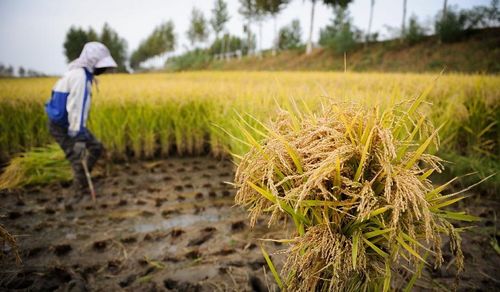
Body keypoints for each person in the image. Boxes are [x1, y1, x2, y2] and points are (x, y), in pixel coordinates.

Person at [45, 42, 117, 203]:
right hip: (62, 125)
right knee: (76, 158)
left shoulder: (82, 74)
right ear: (92, 62)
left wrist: (79, 132)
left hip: (72, 124)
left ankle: (83, 180)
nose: (103, 70)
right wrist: (78, 138)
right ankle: (77, 195)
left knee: (95, 147)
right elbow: (75, 108)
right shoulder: (79, 77)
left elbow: (78, 110)